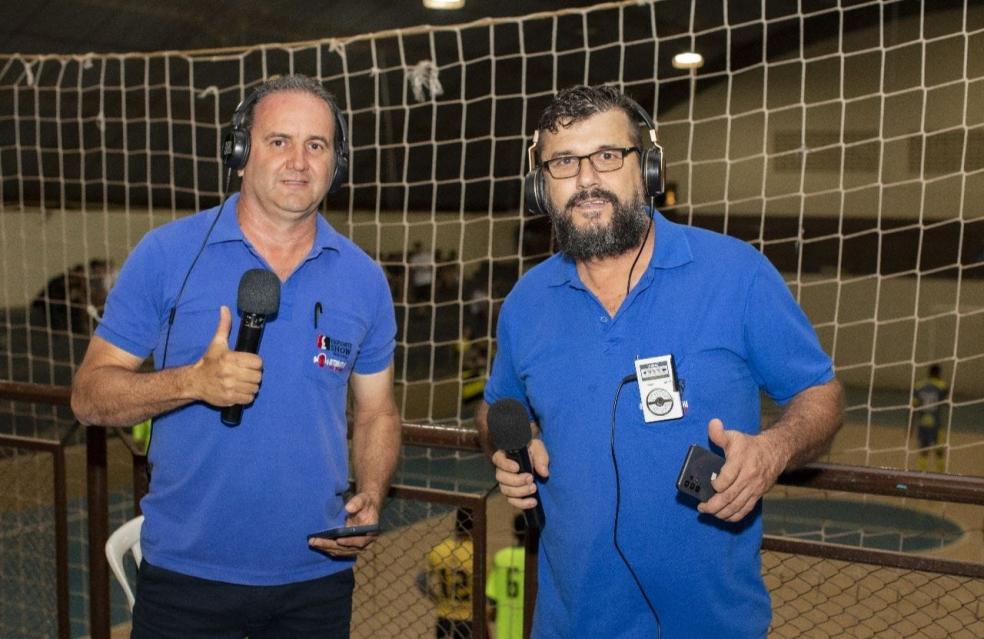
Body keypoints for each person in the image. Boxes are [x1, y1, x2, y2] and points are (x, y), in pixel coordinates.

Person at [477, 85, 844, 638]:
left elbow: (820, 395)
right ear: (540, 185)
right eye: (563, 163)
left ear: (646, 169)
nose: (586, 180)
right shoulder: (527, 302)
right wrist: (508, 446)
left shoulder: (736, 274)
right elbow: (494, 409)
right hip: (570, 625)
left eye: (607, 156)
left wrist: (774, 449)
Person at [71, 74, 401, 638]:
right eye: (279, 141)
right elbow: (89, 398)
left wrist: (371, 491)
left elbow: (377, 412)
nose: (299, 161)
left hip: (316, 578)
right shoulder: (167, 254)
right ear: (240, 154)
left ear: (336, 165)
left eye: (316, 145)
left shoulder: (364, 279)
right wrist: (191, 382)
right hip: (185, 579)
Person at [426, 507, 476, 639]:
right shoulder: (478, 555)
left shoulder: (439, 550)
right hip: (468, 617)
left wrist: (434, 597)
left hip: (444, 615)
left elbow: (421, 580)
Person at [485, 514, 527, 639]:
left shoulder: (501, 557)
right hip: (532, 627)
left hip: (506, 629)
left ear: (514, 532)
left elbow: (491, 597)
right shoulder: (537, 559)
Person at [913, 364, 948, 472]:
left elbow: (914, 406)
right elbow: (946, 401)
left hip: (923, 423)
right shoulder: (942, 386)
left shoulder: (918, 386)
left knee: (923, 450)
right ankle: (941, 474)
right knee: (939, 452)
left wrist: (910, 425)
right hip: (936, 424)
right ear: (938, 374)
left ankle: (921, 473)